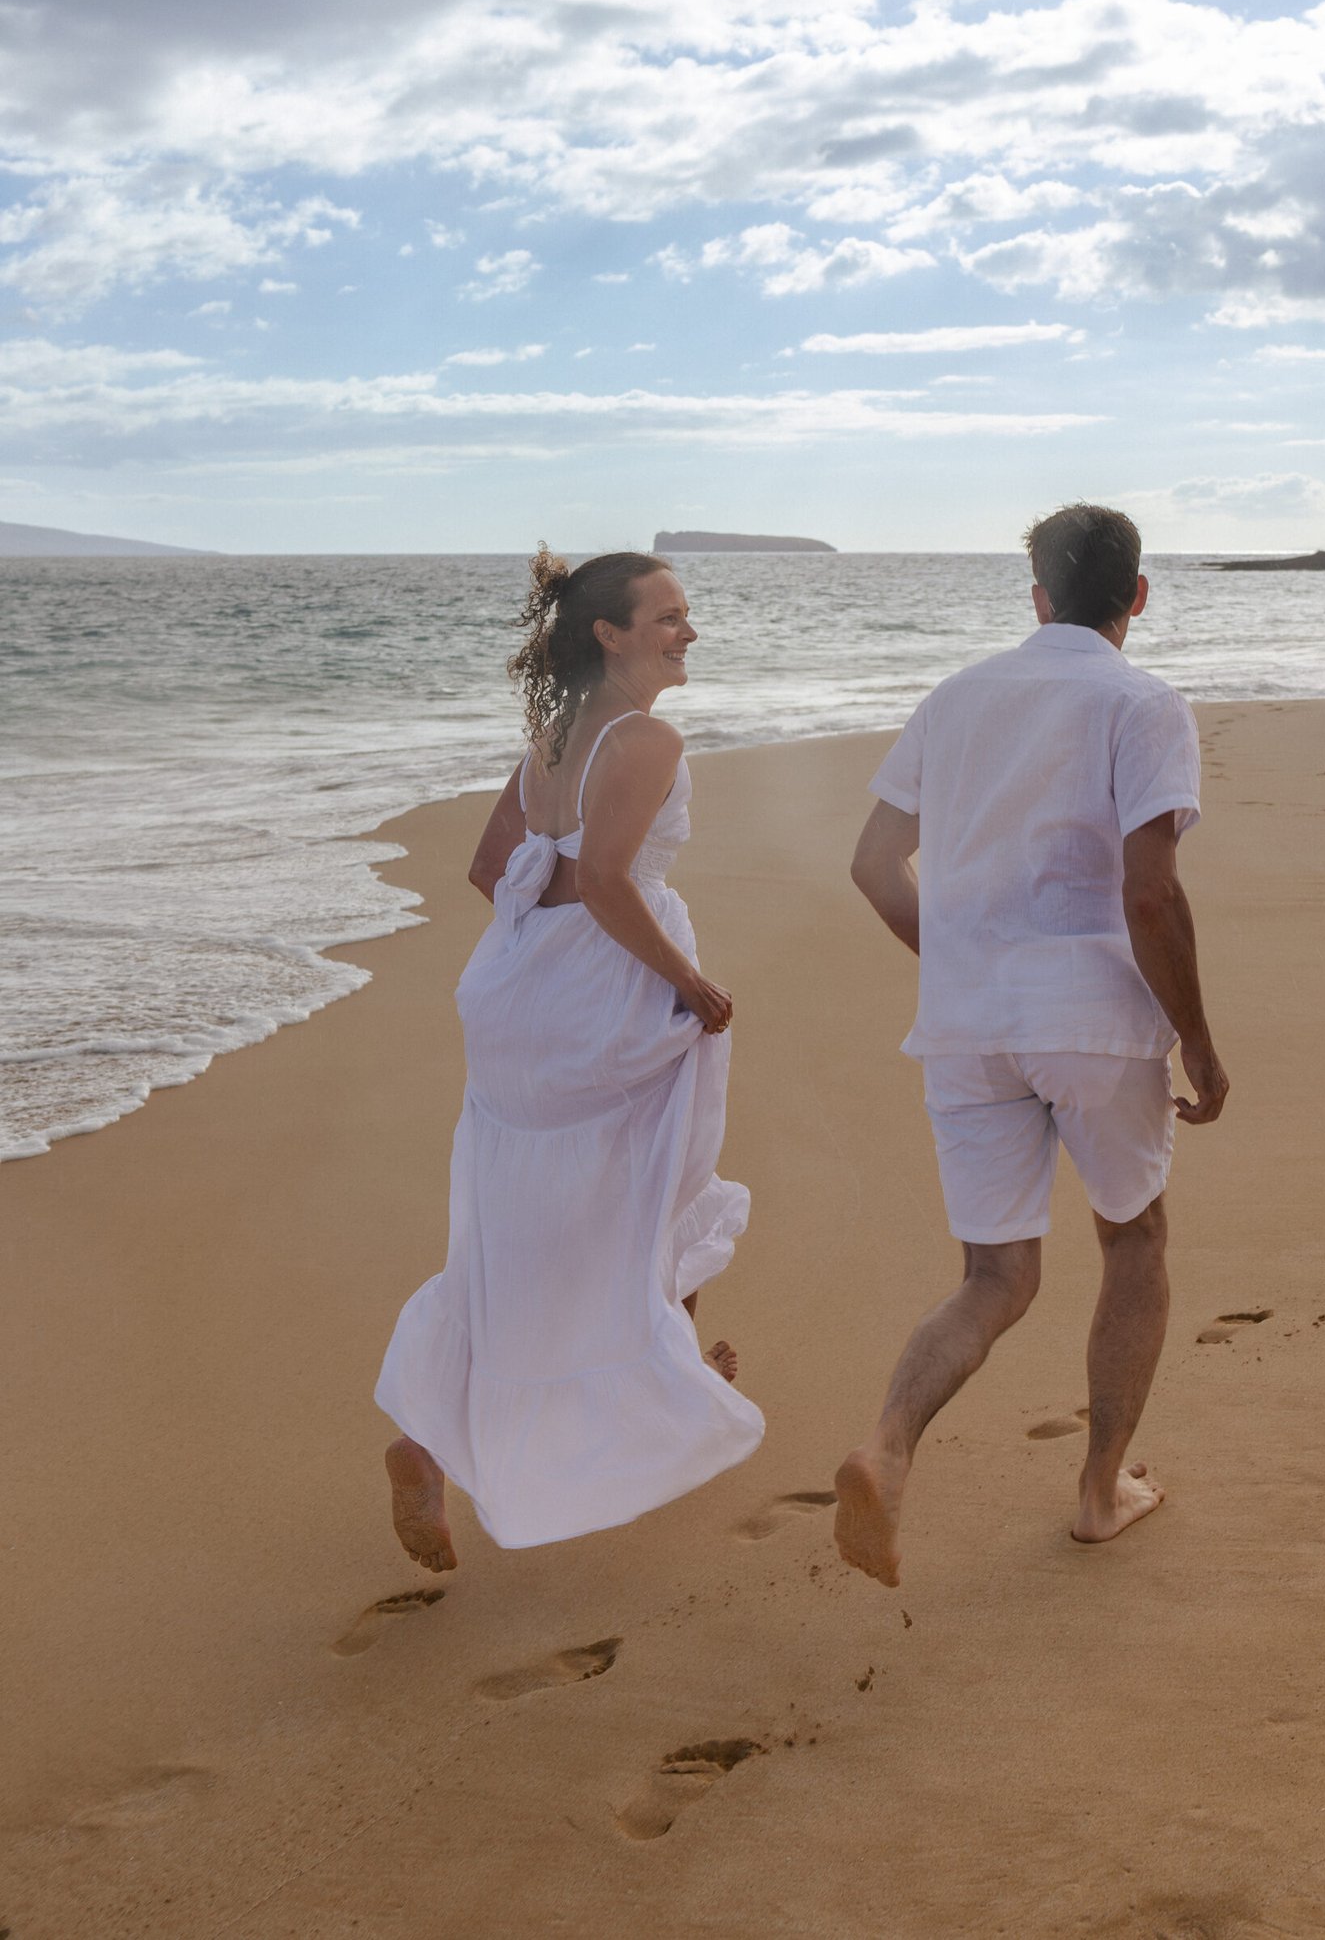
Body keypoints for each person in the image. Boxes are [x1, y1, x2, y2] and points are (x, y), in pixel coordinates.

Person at [834, 504, 1227, 1588]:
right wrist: (1197, 1037)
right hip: (1093, 1017)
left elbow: (873, 865)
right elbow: (1150, 891)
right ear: (1136, 595)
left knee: (995, 1276)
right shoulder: (1141, 703)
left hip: (966, 1025)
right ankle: (1101, 1495)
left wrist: (957, 959)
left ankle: (889, 1447)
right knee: (1133, 1240)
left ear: (1037, 596)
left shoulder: (954, 698)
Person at [375, 547, 763, 1572]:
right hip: (609, 997)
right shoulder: (644, 738)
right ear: (610, 633)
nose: (688, 629)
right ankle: (665, 1394)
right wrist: (687, 980)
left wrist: (540, 963)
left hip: (516, 997)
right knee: (653, 1187)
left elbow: (488, 867)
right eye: (668, 616)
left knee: (519, 1229)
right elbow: (602, 878)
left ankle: (431, 1438)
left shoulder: (553, 733)